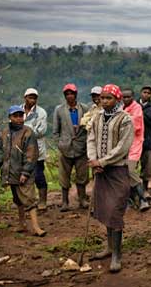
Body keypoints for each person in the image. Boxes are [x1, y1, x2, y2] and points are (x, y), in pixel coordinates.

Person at [87, 84, 133, 273]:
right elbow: (91, 139)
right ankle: (109, 247)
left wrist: (103, 161)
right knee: (105, 209)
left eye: (108, 98)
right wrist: (93, 159)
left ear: (117, 99)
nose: (104, 101)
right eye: (102, 98)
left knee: (115, 211)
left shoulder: (125, 119)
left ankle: (117, 255)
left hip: (117, 171)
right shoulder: (97, 117)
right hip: (101, 172)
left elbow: (123, 147)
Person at [0, 105, 46, 237]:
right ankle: (22, 224)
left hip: (25, 173)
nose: (19, 118)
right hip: (10, 173)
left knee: (29, 199)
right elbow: (0, 153)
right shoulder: (5, 133)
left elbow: (31, 155)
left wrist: (25, 173)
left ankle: (36, 227)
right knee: (17, 199)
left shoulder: (28, 132)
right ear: (10, 118)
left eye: (20, 115)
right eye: (15, 116)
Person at [52, 83, 90, 211]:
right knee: (64, 176)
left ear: (76, 94)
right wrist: (60, 144)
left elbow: (88, 127)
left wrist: (86, 144)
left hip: (81, 147)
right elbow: (55, 131)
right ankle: (64, 202)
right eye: (67, 94)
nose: (69, 96)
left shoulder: (84, 108)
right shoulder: (59, 110)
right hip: (65, 148)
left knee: (82, 175)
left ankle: (82, 199)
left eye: (71, 93)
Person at [122, 88, 149, 212]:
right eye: (124, 97)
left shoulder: (137, 108)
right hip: (123, 146)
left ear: (133, 97)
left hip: (134, 145)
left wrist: (123, 120)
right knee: (123, 173)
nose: (126, 99)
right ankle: (131, 200)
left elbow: (135, 126)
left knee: (130, 170)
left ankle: (143, 198)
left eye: (128, 97)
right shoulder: (122, 107)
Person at [22, 88, 49, 211]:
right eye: (30, 97)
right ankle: (26, 200)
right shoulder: (18, 110)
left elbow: (41, 131)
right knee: (23, 174)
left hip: (37, 149)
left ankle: (43, 201)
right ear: (25, 97)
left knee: (38, 174)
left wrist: (24, 132)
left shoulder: (41, 112)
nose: (32, 99)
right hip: (21, 150)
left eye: (34, 97)